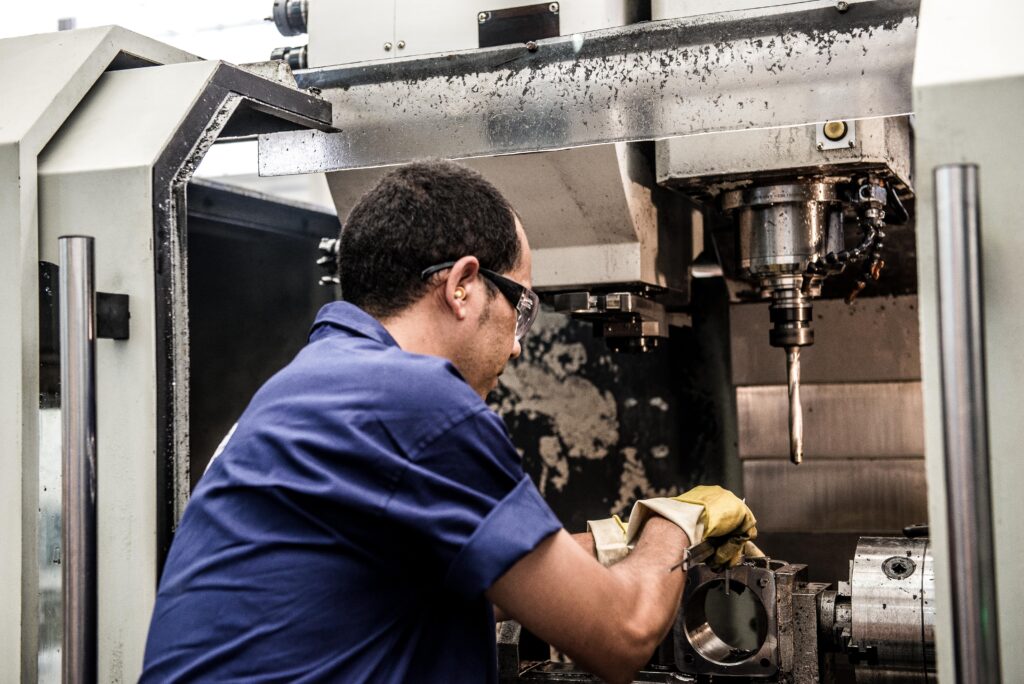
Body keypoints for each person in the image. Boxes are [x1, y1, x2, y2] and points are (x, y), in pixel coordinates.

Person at [140, 160, 758, 684]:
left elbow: (462, 571)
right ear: (463, 286)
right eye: (520, 307)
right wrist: (678, 522)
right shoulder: (414, 400)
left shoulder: (308, 387)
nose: (518, 345)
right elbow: (622, 636)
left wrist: (622, 537)